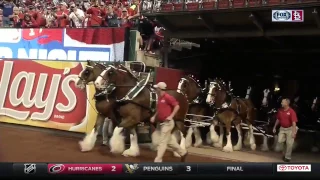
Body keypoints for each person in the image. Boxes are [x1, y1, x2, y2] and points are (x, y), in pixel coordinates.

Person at [150, 82, 188, 163]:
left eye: (157, 88)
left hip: (168, 124)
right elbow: (159, 109)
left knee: (162, 142)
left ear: (160, 89)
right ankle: (183, 153)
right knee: (170, 142)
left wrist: (171, 116)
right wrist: (154, 116)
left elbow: (177, 106)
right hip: (161, 123)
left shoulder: (168, 97)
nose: (156, 89)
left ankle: (158, 160)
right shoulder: (160, 98)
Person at [273, 98, 298, 162]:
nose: (281, 103)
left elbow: (294, 122)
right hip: (282, 128)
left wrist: (294, 132)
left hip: (290, 129)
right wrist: (274, 127)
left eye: (282, 102)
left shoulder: (291, 111)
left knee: (289, 144)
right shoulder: (280, 110)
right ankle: (284, 153)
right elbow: (278, 119)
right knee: (280, 141)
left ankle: (287, 157)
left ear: (286, 103)